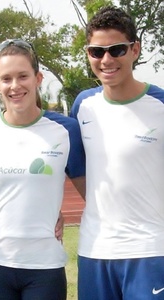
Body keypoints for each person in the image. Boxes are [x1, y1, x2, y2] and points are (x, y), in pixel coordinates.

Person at [0, 39, 86, 300]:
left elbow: (92, 193)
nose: (15, 86)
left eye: (23, 76)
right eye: (6, 79)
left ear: (38, 78)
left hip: (45, 266)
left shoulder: (66, 130)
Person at [70, 6, 164, 300]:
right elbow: (77, 166)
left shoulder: (160, 104)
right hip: (94, 251)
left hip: (150, 251)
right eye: (97, 52)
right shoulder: (83, 105)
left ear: (135, 49)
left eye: (117, 49)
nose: (106, 60)